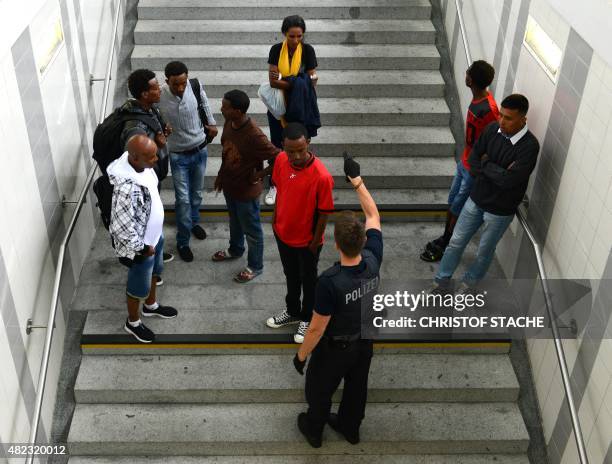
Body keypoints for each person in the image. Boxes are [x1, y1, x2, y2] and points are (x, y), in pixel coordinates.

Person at [292, 153, 382, 448]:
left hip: (336, 348)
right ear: (363, 241)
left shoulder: (329, 282)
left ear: (335, 243)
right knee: (357, 389)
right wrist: (357, 181)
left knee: (319, 390)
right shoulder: (372, 260)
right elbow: (373, 216)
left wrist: (301, 356)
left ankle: (315, 430)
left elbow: (317, 328)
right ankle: (350, 428)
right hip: (365, 341)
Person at [432, 94, 540, 293]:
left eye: (508, 118)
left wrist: (486, 163)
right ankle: (441, 280)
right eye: (500, 115)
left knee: (484, 252)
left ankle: (469, 283)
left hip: (499, 210)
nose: (501, 121)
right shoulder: (492, 130)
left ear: (523, 119)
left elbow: (509, 181)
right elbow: (474, 161)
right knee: (455, 242)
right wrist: (497, 170)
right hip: (476, 199)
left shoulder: (530, 147)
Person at [421, 60, 499, 262]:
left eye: (467, 72)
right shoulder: (477, 100)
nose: (465, 74)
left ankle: (446, 242)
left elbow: (494, 142)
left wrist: (477, 166)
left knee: (458, 207)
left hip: (471, 169)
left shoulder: (489, 110)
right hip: (463, 163)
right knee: (452, 202)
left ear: (470, 79)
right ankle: (445, 236)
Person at [266, 123, 334, 343]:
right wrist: (275, 219)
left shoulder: (321, 176)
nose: (296, 156)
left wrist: (315, 242)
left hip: (307, 241)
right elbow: (279, 189)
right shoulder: (280, 161)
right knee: (290, 275)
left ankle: (307, 317)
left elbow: (324, 213)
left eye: (300, 150)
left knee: (309, 279)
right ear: (283, 147)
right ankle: (292, 311)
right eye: (290, 151)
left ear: (309, 144)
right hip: (283, 233)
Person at [107, 135, 178, 343]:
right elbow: (121, 228)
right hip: (141, 247)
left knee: (155, 273)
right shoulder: (125, 189)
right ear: (135, 158)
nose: (156, 159)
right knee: (137, 286)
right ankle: (133, 322)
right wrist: (142, 248)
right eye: (151, 156)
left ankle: (150, 306)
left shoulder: (141, 165)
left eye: (155, 154)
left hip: (154, 237)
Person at [211, 90, 280, 282]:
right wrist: (221, 176)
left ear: (238, 111)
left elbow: (280, 158)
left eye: (225, 107)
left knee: (252, 231)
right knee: (234, 221)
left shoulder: (255, 135)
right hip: (230, 185)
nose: (221, 109)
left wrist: (259, 174)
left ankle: (255, 266)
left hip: (246, 191)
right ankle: (235, 249)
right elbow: (227, 151)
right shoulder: (229, 122)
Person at [158, 61, 218, 262]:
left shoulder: (195, 85)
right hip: (178, 155)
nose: (181, 87)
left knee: (197, 194)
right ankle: (182, 241)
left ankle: (193, 222)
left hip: (200, 149)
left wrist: (211, 123)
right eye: (176, 84)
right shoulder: (159, 95)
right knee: (183, 200)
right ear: (167, 81)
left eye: (183, 82)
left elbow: (204, 104)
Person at [120, 68, 175, 264]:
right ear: (144, 93)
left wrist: (162, 136)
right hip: (144, 184)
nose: (160, 89)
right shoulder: (135, 125)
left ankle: (157, 254)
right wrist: (158, 145)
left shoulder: (149, 108)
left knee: (154, 220)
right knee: (148, 222)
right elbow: (134, 158)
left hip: (153, 178)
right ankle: (150, 269)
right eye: (156, 87)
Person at [264, 15, 319, 206]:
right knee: (277, 146)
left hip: (300, 108)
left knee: (301, 147)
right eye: (292, 36)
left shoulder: (308, 50)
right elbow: (272, 81)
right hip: (279, 107)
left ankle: (303, 182)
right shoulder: (276, 50)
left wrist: (289, 82)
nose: (296, 41)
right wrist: (297, 82)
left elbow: (313, 80)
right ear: (284, 34)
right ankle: (275, 184)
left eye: (299, 36)